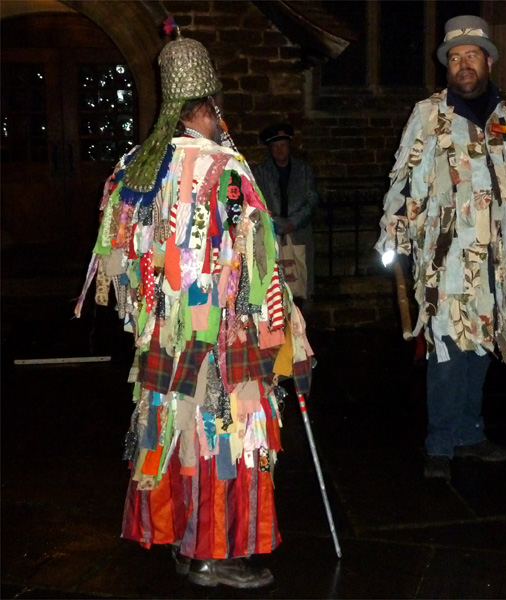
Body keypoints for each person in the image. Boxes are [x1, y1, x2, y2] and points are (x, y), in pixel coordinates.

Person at [74, 21, 314, 589]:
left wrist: (152, 309)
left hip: (164, 336)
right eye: (217, 108)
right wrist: (282, 324)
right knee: (222, 435)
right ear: (206, 107)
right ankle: (211, 555)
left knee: (177, 434)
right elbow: (257, 262)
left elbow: (118, 261)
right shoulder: (228, 170)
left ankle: (186, 547)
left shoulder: (135, 167)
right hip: (222, 338)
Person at [375, 15, 506, 480]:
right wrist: (396, 234)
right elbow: (404, 179)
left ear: (489, 60)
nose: (463, 64)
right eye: (454, 58)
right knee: (448, 348)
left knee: (483, 343)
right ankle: (441, 443)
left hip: (495, 259)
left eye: (471, 55)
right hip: (446, 257)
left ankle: (470, 433)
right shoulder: (428, 115)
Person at [253, 123, 319, 303]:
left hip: (299, 234)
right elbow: (257, 202)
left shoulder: (304, 170)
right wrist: (279, 224)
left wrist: (294, 222)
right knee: (274, 286)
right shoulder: (260, 172)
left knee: (301, 281)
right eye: (275, 146)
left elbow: (312, 199)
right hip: (272, 233)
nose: (279, 150)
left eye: (282, 145)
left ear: (289, 146)